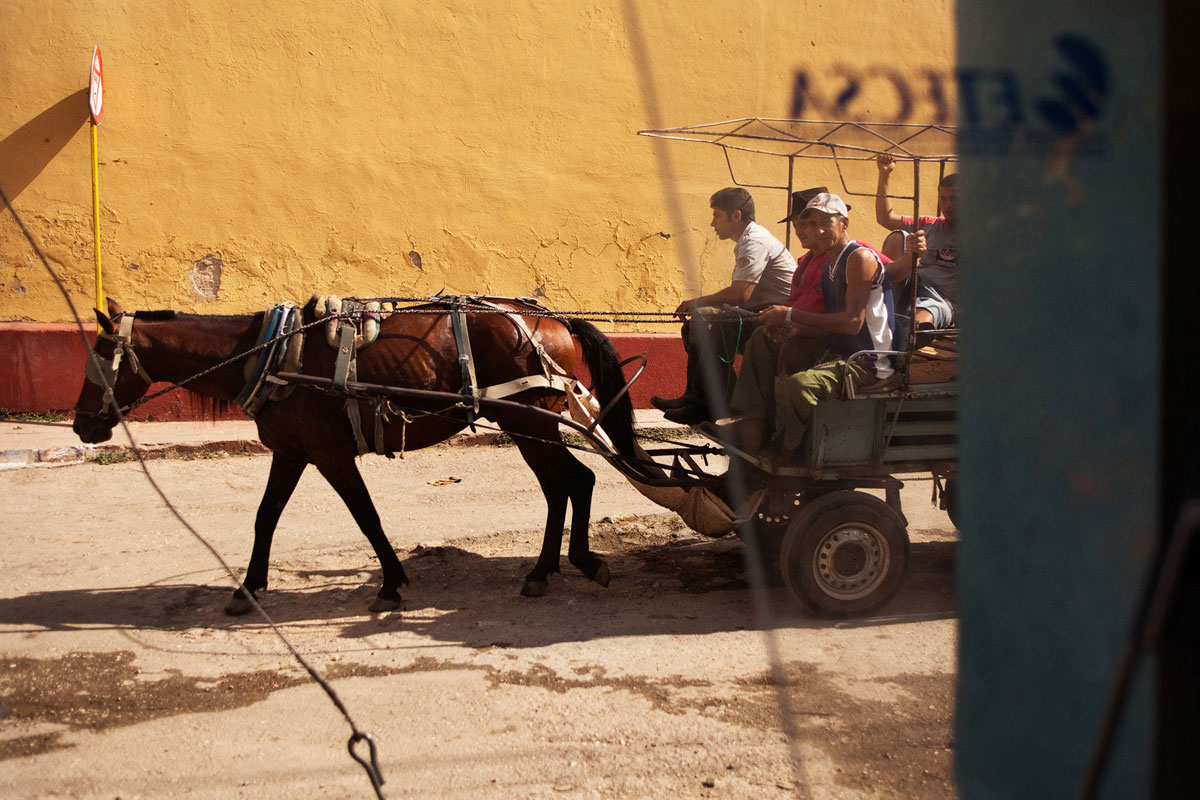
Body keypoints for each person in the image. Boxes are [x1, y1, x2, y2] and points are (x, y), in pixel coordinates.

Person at [704, 192, 895, 455]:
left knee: (799, 386)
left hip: (867, 361)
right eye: (812, 224)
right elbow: (831, 323)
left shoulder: (858, 258)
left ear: (844, 224)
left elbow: (852, 323)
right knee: (762, 338)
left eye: (825, 223)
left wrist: (791, 316)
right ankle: (754, 424)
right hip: (835, 349)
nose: (818, 230)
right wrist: (795, 328)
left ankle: (788, 448)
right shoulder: (830, 263)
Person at [652, 187, 796, 424]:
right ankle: (695, 396)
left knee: (720, 326)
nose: (712, 223)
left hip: (776, 320)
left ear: (736, 216)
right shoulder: (748, 239)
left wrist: (696, 301)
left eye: (717, 215)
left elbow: (740, 295)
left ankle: (711, 402)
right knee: (697, 322)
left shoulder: (754, 242)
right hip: (759, 313)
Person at [875, 153, 958, 329]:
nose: (948, 205)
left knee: (919, 321)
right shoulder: (929, 224)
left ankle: (902, 336)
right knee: (899, 237)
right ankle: (878, 304)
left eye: (955, 199)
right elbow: (885, 218)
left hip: (941, 300)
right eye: (943, 198)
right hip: (912, 285)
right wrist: (884, 174)